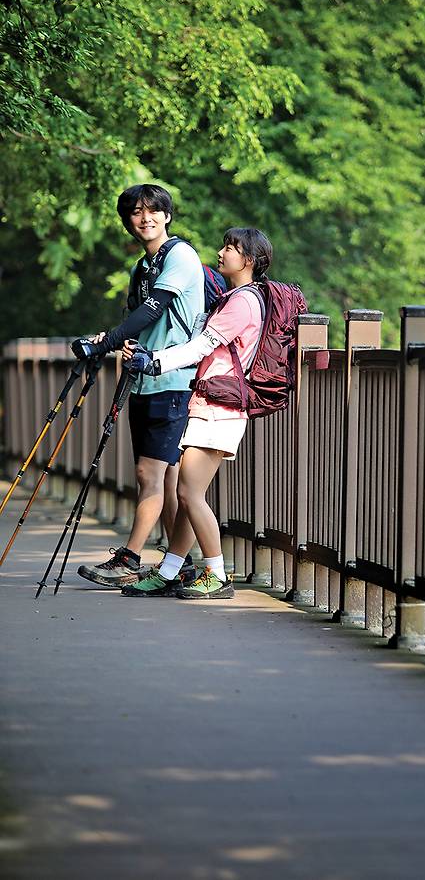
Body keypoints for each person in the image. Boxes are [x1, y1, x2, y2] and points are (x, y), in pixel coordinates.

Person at [119, 227, 272, 601]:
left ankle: (216, 575)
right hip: (207, 405)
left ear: (248, 260)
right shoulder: (233, 296)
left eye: (230, 248)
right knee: (190, 493)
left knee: (188, 492)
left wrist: (152, 362)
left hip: (219, 409)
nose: (221, 253)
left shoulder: (243, 302)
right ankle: (171, 571)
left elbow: (201, 346)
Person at [71, 183, 204, 588]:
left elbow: (152, 310)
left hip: (174, 381)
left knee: (150, 473)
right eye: (135, 212)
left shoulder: (180, 256)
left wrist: (108, 343)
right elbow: (134, 323)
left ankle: (130, 559)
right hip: (144, 382)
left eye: (153, 210)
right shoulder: (141, 268)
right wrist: (110, 341)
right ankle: (177, 567)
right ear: (127, 221)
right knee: (163, 478)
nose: (144, 218)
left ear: (167, 215)